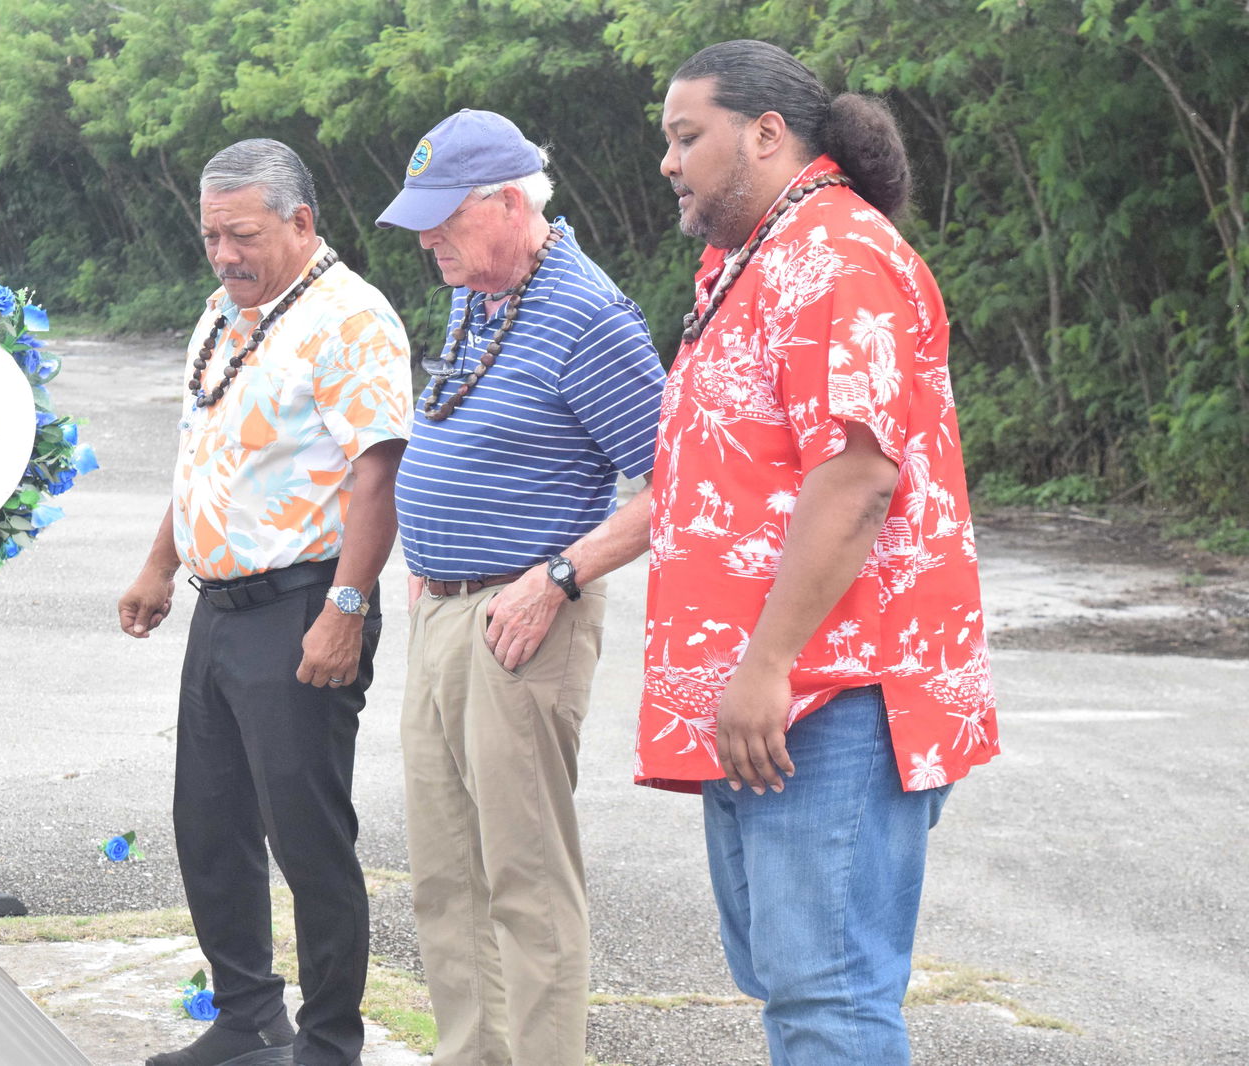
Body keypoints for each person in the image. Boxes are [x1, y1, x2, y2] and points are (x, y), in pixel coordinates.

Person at [638, 41, 1001, 1065]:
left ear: (764, 134)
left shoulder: (837, 259)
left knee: (827, 999)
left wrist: (764, 664)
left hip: (828, 696)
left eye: (685, 136)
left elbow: (855, 478)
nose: (668, 162)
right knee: (792, 987)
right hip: (774, 702)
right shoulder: (750, 261)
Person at [376, 110, 666, 1066]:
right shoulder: (484, 285)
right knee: (445, 877)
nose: (426, 240)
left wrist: (556, 578)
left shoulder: (588, 314)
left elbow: (678, 483)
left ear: (507, 203)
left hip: (523, 617)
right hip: (447, 608)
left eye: (442, 219)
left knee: (525, 880)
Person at [120, 138, 413, 1066]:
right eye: (211, 237)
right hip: (219, 606)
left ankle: (329, 1044)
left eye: (241, 235)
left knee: (307, 839)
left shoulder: (352, 319)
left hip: (303, 609)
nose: (224, 256)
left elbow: (379, 476)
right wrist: (160, 564)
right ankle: (247, 1019)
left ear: (300, 222)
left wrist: (348, 607)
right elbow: (206, 455)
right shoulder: (226, 313)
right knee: (208, 824)